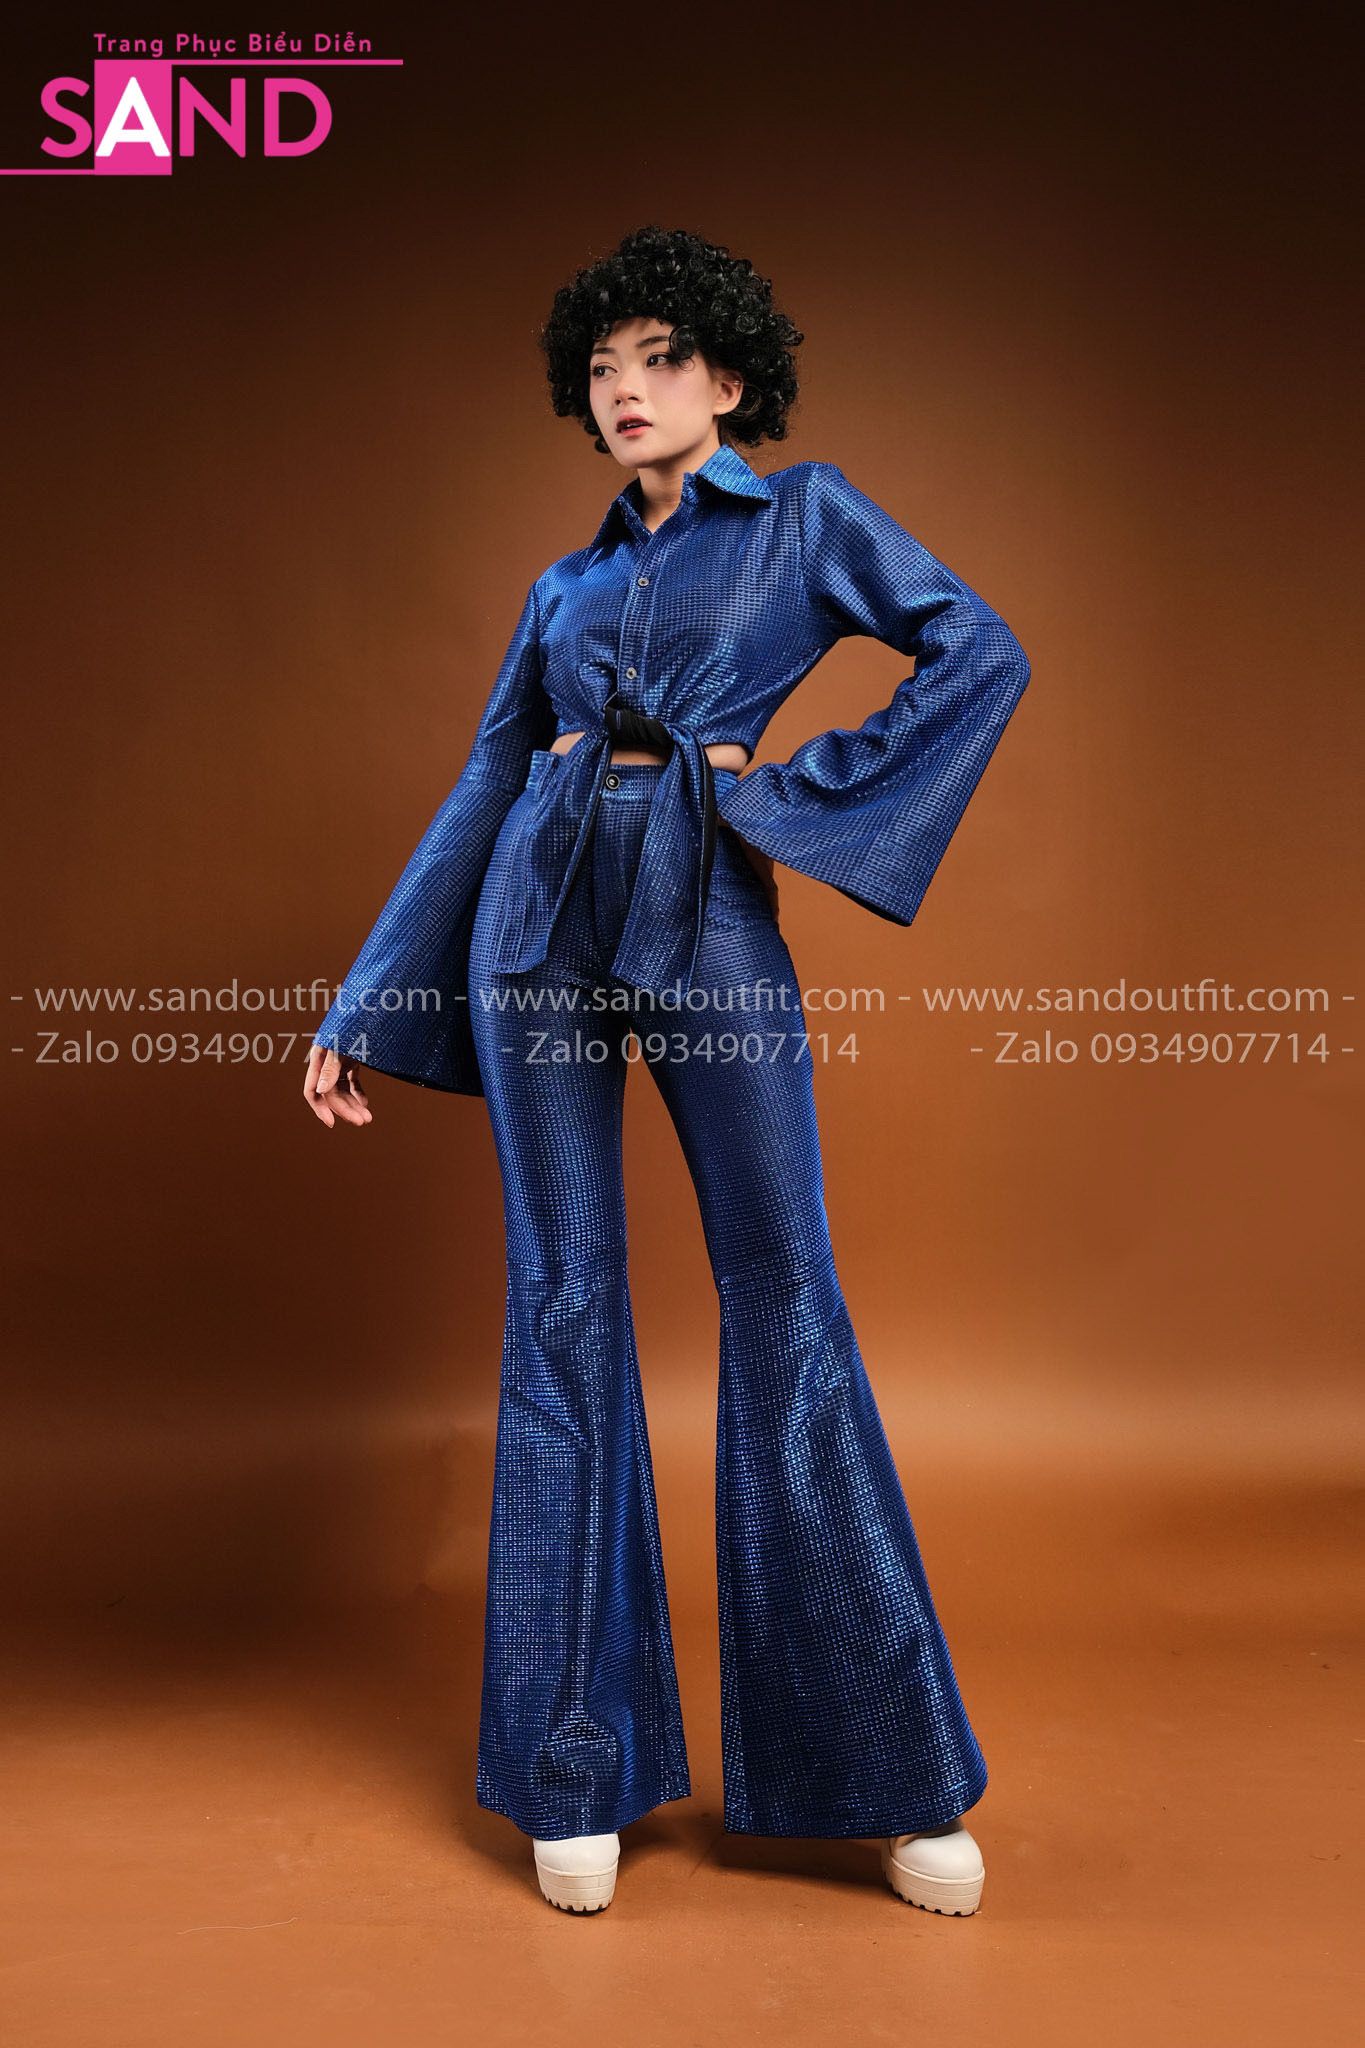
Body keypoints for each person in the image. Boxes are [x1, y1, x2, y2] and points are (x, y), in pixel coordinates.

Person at [303, 225, 1030, 1917]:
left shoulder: (807, 519)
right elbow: (486, 777)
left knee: (783, 1290)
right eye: (599, 370)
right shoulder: (558, 592)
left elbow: (977, 649)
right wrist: (365, 996)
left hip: (706, 916)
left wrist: (777, 799)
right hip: (533, 926)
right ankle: (573, 1766)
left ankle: (885, 1772)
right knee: (563, 1301)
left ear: (727, 377)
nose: (624, 391)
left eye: (657, 360)